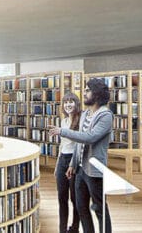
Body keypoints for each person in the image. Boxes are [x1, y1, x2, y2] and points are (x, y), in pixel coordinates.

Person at [49, 78, 112, 233]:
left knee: (99, 208)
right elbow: (79, 143)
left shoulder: (105, 115)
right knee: (81, 207)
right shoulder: (86, 114)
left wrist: (62, 131)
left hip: (95, 171)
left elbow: (89, 137)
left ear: (96, 94)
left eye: (87, 90)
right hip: (81, 170)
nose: (84, 93)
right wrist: (73, 164)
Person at [54, 92, 82, 233]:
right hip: (62, 160)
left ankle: (75, 227)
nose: (68, 104)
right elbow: (62, 144)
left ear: (76, 104)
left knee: (74, 198)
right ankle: (62, 229)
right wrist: (57, 165)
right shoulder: (63, 121)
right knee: (61, 197)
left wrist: (72, 164)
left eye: (71, 102)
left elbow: (78, 145)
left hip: (74, 160)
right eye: (65, 102)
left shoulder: (80, 121)